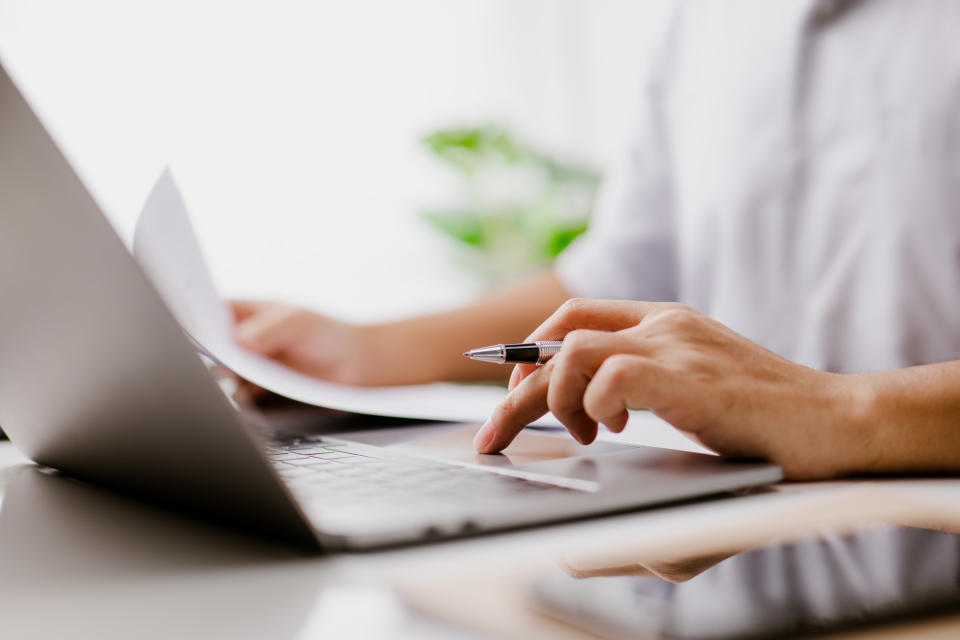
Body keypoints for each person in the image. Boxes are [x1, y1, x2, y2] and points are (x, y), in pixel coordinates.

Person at [232, 0, 960, 480]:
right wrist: (371, 353)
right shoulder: (709, 23)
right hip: (746, 554)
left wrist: (837, 411)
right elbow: (615, 284)